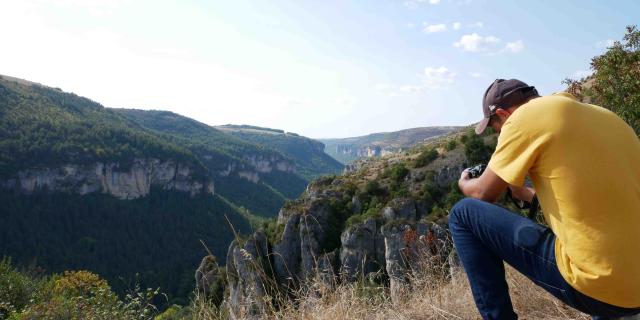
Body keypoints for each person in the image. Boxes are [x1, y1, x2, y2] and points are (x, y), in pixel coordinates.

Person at [450, 78, 640, 320]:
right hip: (633, 287)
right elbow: (593, 197)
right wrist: (522, 194)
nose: (498, 133)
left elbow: (482, 194)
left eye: (495, 127)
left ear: (502, 113)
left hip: (602, 287)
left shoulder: (522, 119)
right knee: (595, 249)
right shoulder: (605, 116)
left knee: (463, 213)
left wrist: (465, 183)